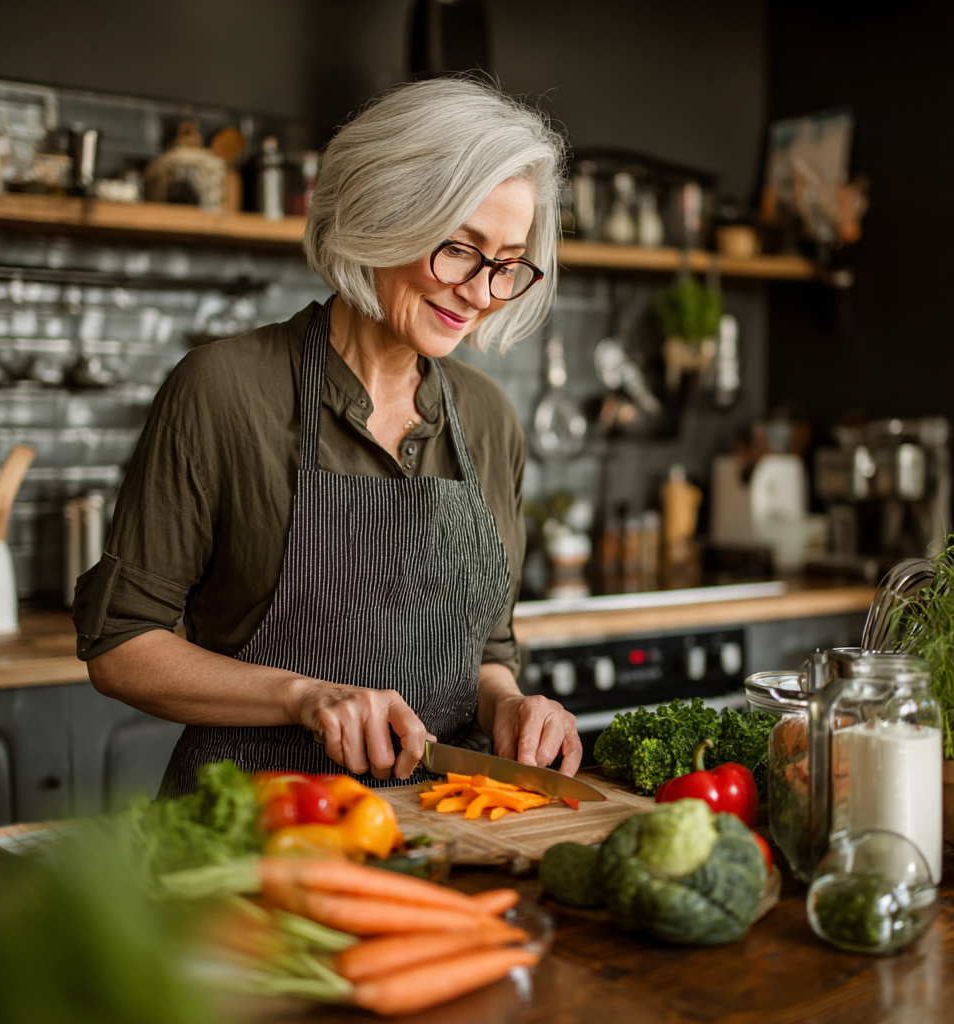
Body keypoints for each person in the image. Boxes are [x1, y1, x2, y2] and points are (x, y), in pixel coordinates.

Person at [74, 77, 581, 794]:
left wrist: (512, 707)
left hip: (444, 830)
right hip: (254, 832)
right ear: (383, 213)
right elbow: (119, 647)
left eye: (506, 264)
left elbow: (488, 652)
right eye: (459, 249)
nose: (479, 293)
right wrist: (303, 697)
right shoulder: (224, 389)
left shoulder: (488, 418)